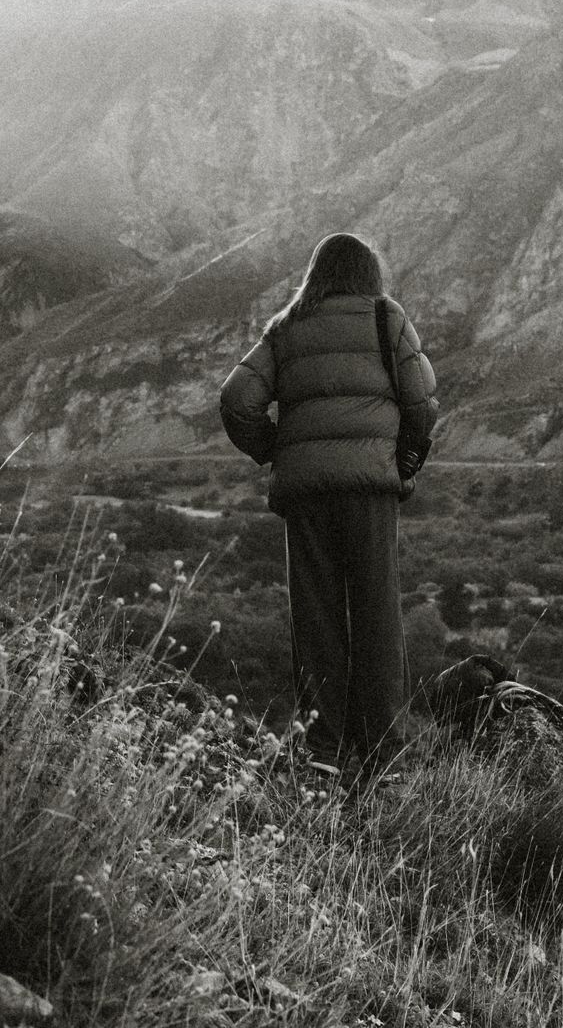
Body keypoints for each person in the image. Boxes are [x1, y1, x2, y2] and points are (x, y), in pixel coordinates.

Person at [218, 232, 437, 769]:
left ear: (315, 273)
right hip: (370, 491)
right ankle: (384, 752)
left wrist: (278, 450)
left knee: (315, 617)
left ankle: (323, 749)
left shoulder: (286, 326)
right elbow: (422, 403)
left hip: (307, 495)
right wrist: (405, 461)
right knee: (377, 613)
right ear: (369, 273)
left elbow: (236, 399)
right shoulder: (386, 318)